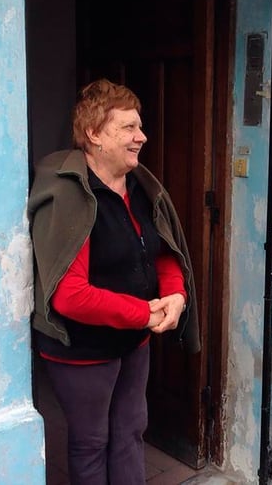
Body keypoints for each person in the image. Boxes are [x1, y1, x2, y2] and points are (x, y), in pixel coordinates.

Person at [28, 78, 200, 485]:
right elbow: (69, 295)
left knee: (130, 433)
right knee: (91, 443)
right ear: (93, 134)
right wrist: (144, 313)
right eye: (127, 128)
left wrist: (175, 294)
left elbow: (162, 251)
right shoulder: (71, 195)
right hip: (82, 350)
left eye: (138, 127)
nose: (141, 136)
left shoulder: (140, 187)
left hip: (133, 343)